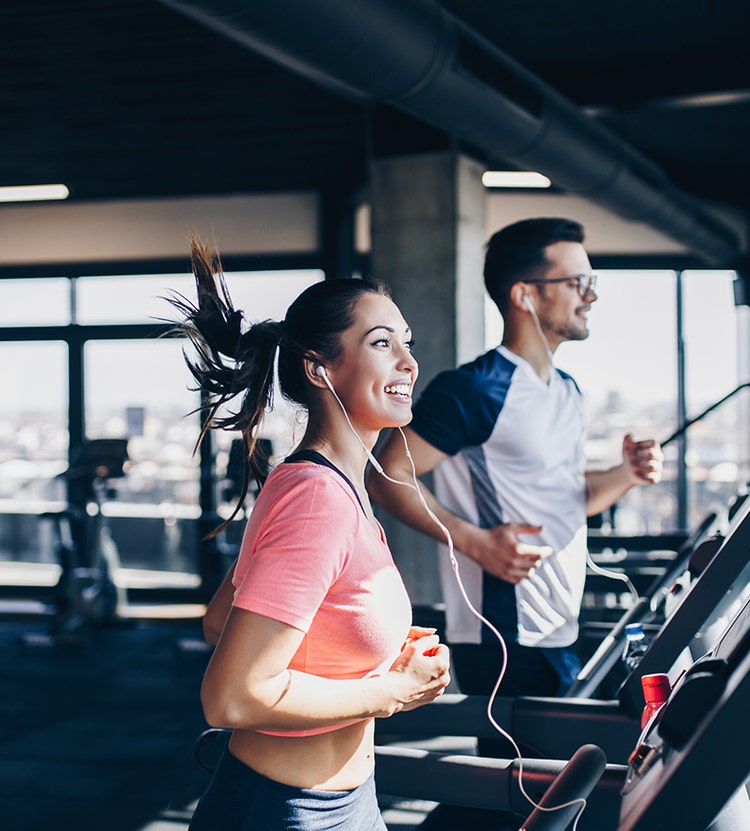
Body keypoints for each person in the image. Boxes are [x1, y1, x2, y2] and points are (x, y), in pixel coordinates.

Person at [367, 217, 663, 828]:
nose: (592, 293)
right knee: (512, 802)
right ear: (525, 294)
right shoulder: (475, 389)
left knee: (546, 795)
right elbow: (386, 474)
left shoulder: (567, 389)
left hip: (559, 623)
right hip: (506, 629)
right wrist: (474, 542)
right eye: (578, 280)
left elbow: (561, 498)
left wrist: (624, 475)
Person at [171, 238, 451, 831]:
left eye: (408, 342)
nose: (408, 361)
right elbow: (231, 697)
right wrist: (391, 690)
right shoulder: (317, 497)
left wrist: (353, 652)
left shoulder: (320, 482)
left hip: (344, 804)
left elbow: (223, 621)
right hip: (285, 812)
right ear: (320, 368)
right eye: (382, 343)